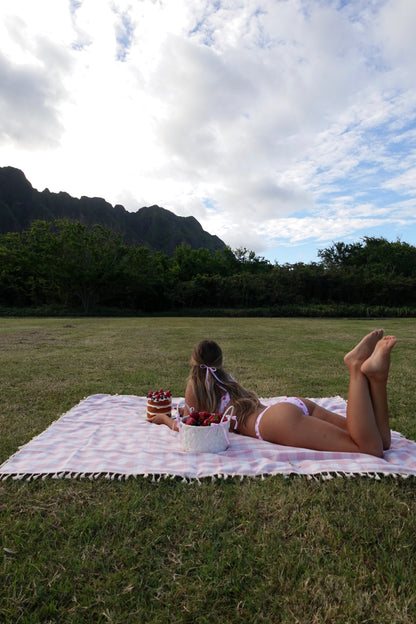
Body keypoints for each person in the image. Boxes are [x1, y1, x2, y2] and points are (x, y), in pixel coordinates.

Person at [149, 330, 397, 457]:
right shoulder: (225, 379)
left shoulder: (195, 387)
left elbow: (191, 429)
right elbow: (204, 410)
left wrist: (164, 419)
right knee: (381, 441)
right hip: (292, 406)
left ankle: (355, 367)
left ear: (194, 363)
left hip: (273, 423)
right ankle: (376, 378)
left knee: (370, 448)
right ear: (219, 362)